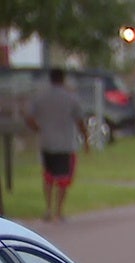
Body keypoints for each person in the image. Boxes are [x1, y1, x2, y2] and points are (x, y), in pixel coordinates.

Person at [24, 68, 89, 223]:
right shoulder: (70, 98)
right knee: (63, 178)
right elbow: (80, 121)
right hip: (65, 144)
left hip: (47, 142)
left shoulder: (41, 98)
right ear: (63, 79)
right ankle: (58, 211)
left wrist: (38, 128)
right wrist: (85, 139)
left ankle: (47, 209)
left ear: (51, 79)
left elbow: (29, 116)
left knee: (48, 177)